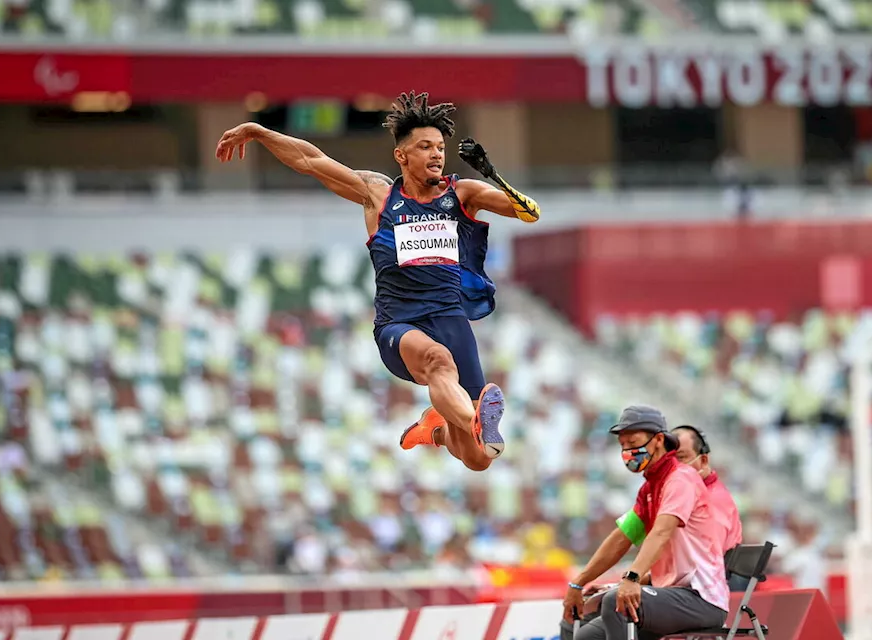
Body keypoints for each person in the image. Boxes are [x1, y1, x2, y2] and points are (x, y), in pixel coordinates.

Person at [215, 91, 542, 472]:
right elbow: (311, 161)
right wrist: (259, 131)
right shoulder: (378, 195)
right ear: (401, 156)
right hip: (400, 324)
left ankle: (435, 428)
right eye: (425, 146)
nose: (437, 154)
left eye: (440, 147)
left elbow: (528, 213)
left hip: (451, 319)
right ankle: (467, 415)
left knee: (478, 458)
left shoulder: (462, 194)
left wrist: (493, 175)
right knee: (439, 363)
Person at [561, 406, 729, 640]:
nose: (628, 451)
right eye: (623, 445)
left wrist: (631, 578)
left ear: (659, 439)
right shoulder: (649, 489)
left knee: (615, 602)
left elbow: (661, 532)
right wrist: (578, 584)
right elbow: (621, 539)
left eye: (634, 442)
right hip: (667, 597)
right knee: (586, 637)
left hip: (701, 599)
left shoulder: (681, 479)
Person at [670, 425, 747, 592]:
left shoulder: (712, 500)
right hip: (685, 584)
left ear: (703, 460)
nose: (675, 467)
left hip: (707, 590)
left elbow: (706, 559)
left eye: (681, 458)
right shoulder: (680, 496)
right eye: (670, 460)